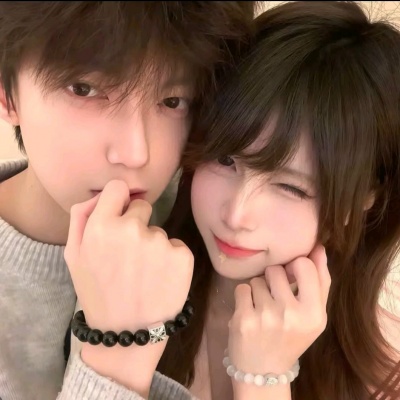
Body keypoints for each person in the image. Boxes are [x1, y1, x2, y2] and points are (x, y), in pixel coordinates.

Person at [66, 1, 400, 399]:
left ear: (363, 199)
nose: (238, 215)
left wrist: (264, 379)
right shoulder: (119, 278)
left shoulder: (382, 377)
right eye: (225, 160)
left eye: (291, 188)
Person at [0, 2, 255, 399]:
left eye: (172, 101)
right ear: (7, 96)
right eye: (84, 89)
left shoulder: (212, 218)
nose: (137, 153)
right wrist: (118, 357)